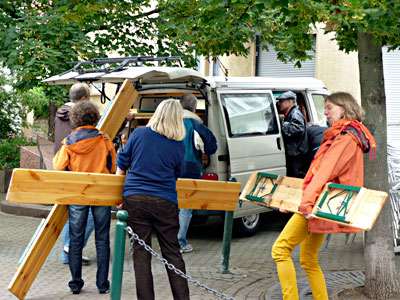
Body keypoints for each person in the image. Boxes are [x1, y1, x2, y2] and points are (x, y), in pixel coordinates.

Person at [271, 92, 376, 300]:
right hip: (322, 203)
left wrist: (305, 204)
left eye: (330, 107)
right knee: (308, 258)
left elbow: (323, 173)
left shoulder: (345, 137)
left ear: (344, 108)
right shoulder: (345, 134)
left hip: (317, 203)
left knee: (280, 250)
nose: (325, 112)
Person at [116, 99, 190, 300]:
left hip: (135, 198)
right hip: (165, 201)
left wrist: (118, 193)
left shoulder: (139, 134)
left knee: (141, 255)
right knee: (172, 253)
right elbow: (178, 174)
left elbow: (122, 162)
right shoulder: (178, 145)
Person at [53, 101, 116, 295]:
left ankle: (75, 283)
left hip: (78, 194)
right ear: (95, 117)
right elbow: (113, 167)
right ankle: (102, 285)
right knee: (102, 239)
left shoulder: (69, 142)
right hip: (101, 193)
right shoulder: (104, 139)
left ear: (76, 118)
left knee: (75, 239)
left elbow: (58, 167)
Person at [54, 82, 94, 265]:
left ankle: (67, 253)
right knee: (90, 214)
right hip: (78, 170)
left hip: (63, 167)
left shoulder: (60, 113)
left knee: (71, 213)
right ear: (84, 99)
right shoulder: (77, 117)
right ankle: (71, 248)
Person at [178, 93, 217, 253]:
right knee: (185, 208)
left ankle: (167, 241)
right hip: (190, 168)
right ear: (194, 108)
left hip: (169, 168)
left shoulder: (170, 122)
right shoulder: (196, 124)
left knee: (171, 205)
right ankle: (180, 242)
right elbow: (212, 146)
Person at [277, 91, 308, 178]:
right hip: (294, 154)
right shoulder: (290, 113)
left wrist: (283, 124)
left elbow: (298, 129)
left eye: (282, 101)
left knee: (295, 179)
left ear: (290, 102)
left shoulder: (295, 113)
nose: (279, 104)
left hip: (297, 155)